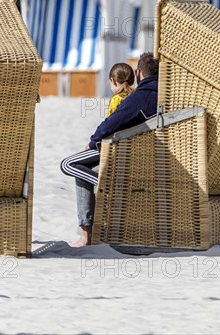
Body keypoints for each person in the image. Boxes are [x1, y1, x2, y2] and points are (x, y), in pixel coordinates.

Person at [60, 53, 159, 246]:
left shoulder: (141, 97)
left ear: (139, 73)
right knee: (82, 171)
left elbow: (110, 124)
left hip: (119, 155)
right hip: (137, 156)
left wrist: (93, 142)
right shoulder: (163, 94)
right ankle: (86, 233)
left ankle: (105, 189)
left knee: (68, 164)